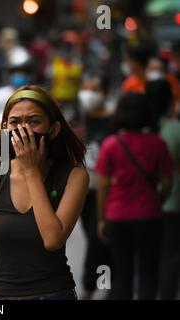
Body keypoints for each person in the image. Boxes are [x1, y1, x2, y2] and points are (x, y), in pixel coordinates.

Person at [0, 85, 89, 300]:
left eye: (33, 121)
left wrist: (31, 170)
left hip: (52, 294)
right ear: (3, 129)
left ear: (53, 129)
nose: (23, 129)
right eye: (15, 122)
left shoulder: (74, 177)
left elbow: (52, 239)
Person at [96, 93, 174, 300]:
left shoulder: (111, 144)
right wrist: (158, 201)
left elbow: (103, 186)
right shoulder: (158, 144)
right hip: (150, 216)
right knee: (149, 274)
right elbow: (167, 181)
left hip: (117, 216)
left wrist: (102, 218)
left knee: (123, 275)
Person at [77, 73, 114, 299]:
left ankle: (90, 286)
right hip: (83, 193)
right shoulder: (77, 119)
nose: (89, 94)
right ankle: (110, 281)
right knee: (97, 238)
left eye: (95, 88)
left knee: (97, 237)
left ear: (104, 93)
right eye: (86, 88)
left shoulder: (115, 120)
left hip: (108, 191)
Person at [151, 80, 180, 299]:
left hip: (143, 203)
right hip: (172, 202)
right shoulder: (175, 130)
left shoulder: (140, 131)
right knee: (170, 257)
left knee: (147, 257)